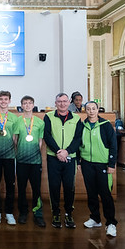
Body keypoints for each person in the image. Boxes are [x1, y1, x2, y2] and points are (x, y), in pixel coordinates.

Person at [78, 101, 118, 237]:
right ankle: (95, 218)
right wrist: (79, 161)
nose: (91, 111)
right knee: (91, 192)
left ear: (97, 110)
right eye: (88, 109)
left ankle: (111, 223)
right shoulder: (82, 125)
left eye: (93, 108)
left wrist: (111, 164)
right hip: (87, 164)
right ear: (85, 111)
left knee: (105, 194)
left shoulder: (105, 125)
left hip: (103, 164)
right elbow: (78, 143)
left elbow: (113, 145)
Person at [43, 92, 81, 229]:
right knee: (54, 186)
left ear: (68, 102)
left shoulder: (76, 118)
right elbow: (47, 135)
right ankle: (56, 213)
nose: (62, 104)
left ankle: (69, 214)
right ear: (55, 103)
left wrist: (67, 151)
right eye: (59, 101)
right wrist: (58, 151)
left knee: (69, 187)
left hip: (70, 157)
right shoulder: (48, 117)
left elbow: (78, 138)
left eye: (65, 101)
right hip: (54, 157)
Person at [0, 90, 20, 225]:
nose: (3, 101)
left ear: (10, 101)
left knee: (10, 185)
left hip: (10, 157)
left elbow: (15, 138)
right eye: (1, 99)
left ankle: (9, 212)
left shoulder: (15, 118)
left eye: (6, 99)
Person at [15, 95, 44, 226]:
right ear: (21, 106)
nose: (27, 105)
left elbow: (40, 141)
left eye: (30, 103)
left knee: (36, 188)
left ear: (33, 105)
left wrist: (33, 153)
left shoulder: (39, 122)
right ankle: (23, 212)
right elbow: (15, 140)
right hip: (21, 160)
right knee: (21, 188)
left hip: (35, 161)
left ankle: (38, 213)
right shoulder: (17, 121)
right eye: (25, 103)